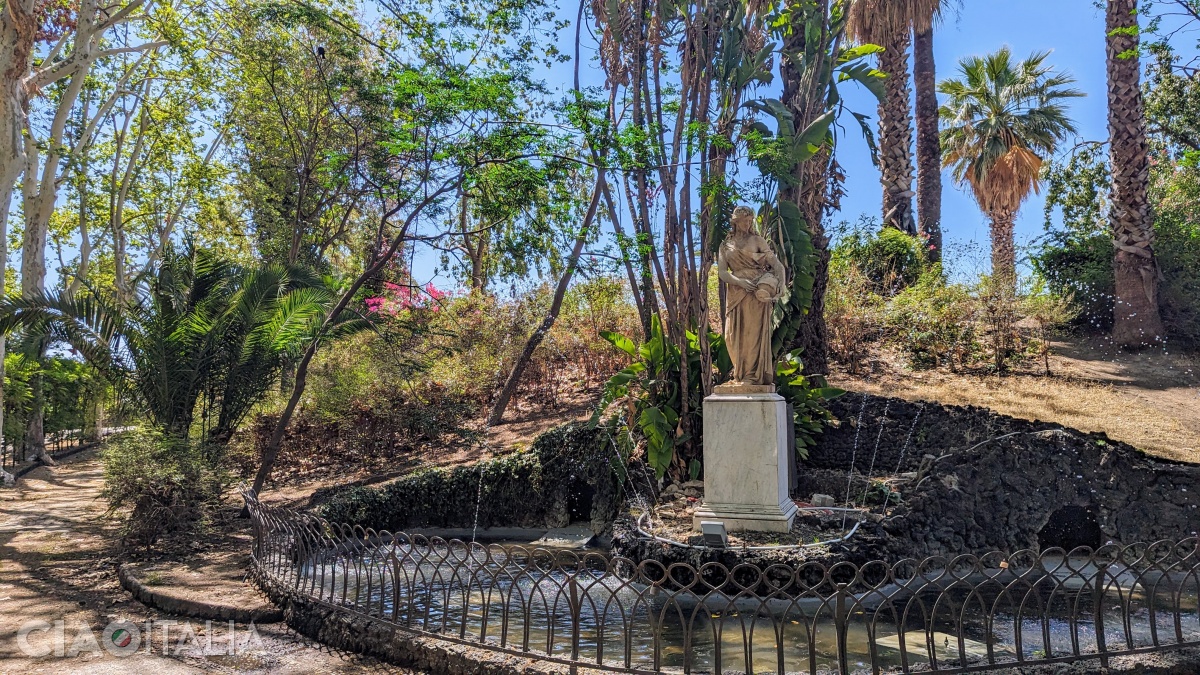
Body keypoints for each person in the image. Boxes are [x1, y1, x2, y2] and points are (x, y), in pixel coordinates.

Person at [717, 206, 786, 387]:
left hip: (756, 290)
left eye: (750, 220)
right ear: (736, 221)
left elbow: (777, 265)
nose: (748, 224)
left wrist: (782, 284)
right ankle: (739, 374)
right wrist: (739, 282)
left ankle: (751, 377)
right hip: (736, 291)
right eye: (745, 220)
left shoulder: (757, 240)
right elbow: (723, 273)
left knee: (751, 334)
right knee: (731, 336)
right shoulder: (725, 245)